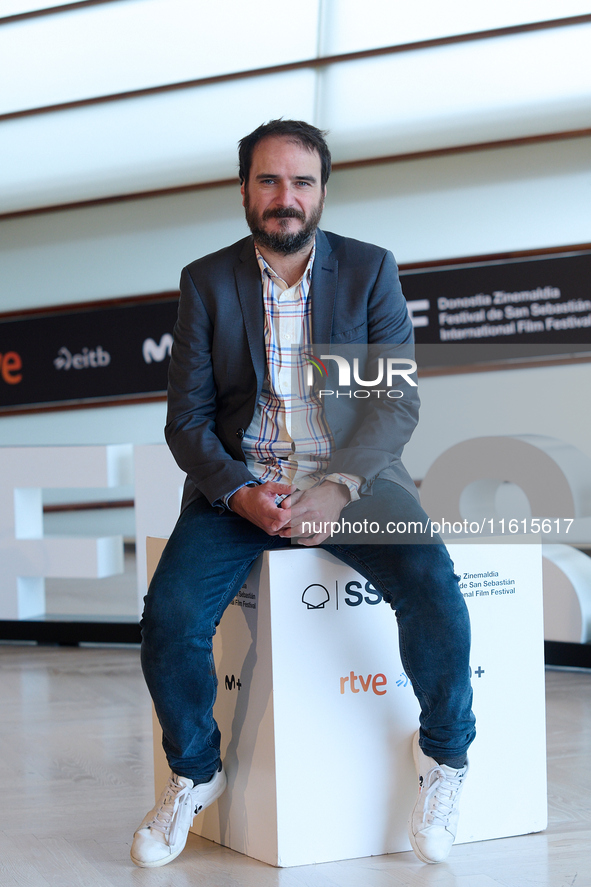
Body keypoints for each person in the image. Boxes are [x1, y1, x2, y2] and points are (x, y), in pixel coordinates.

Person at [131, 120, 475, 869]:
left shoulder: (368, 269)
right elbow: (186, 421)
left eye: (301, 181)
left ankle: (444, 756)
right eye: (268, 180)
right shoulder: (207, 280)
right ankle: (195, 771)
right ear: (245, 188)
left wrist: (338, 485)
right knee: (170, 618)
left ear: (322, 190)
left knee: (432, 586)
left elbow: (394, 403)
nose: (285, 197)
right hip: (238, 485)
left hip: (351, 479)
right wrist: (241, 493)